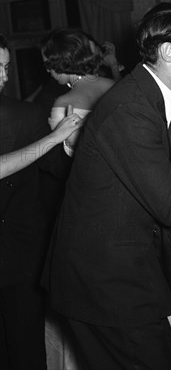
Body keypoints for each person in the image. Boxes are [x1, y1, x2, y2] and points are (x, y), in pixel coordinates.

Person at [41, 2, 171, 370]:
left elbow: (139, 181)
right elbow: (166, 201)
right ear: (169, 51)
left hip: (111, 273)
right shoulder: (133, 107)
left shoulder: (146, 94)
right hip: (105, 283)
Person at [0, 34, 77, 370]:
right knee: (24, 343)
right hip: (21, 249)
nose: (4, 77)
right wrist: (58, 139)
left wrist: (64, 141)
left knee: (23, 341)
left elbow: (56, 169)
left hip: (20, 249)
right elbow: (58, 169)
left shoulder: (25, 113)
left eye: (5, 67)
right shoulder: (29, 115)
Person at [40, 28, 116, 152]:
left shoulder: (63, 103)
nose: (48, 70)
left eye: (48, 65)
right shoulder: (113, 85)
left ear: (61, 61)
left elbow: (62, 158)